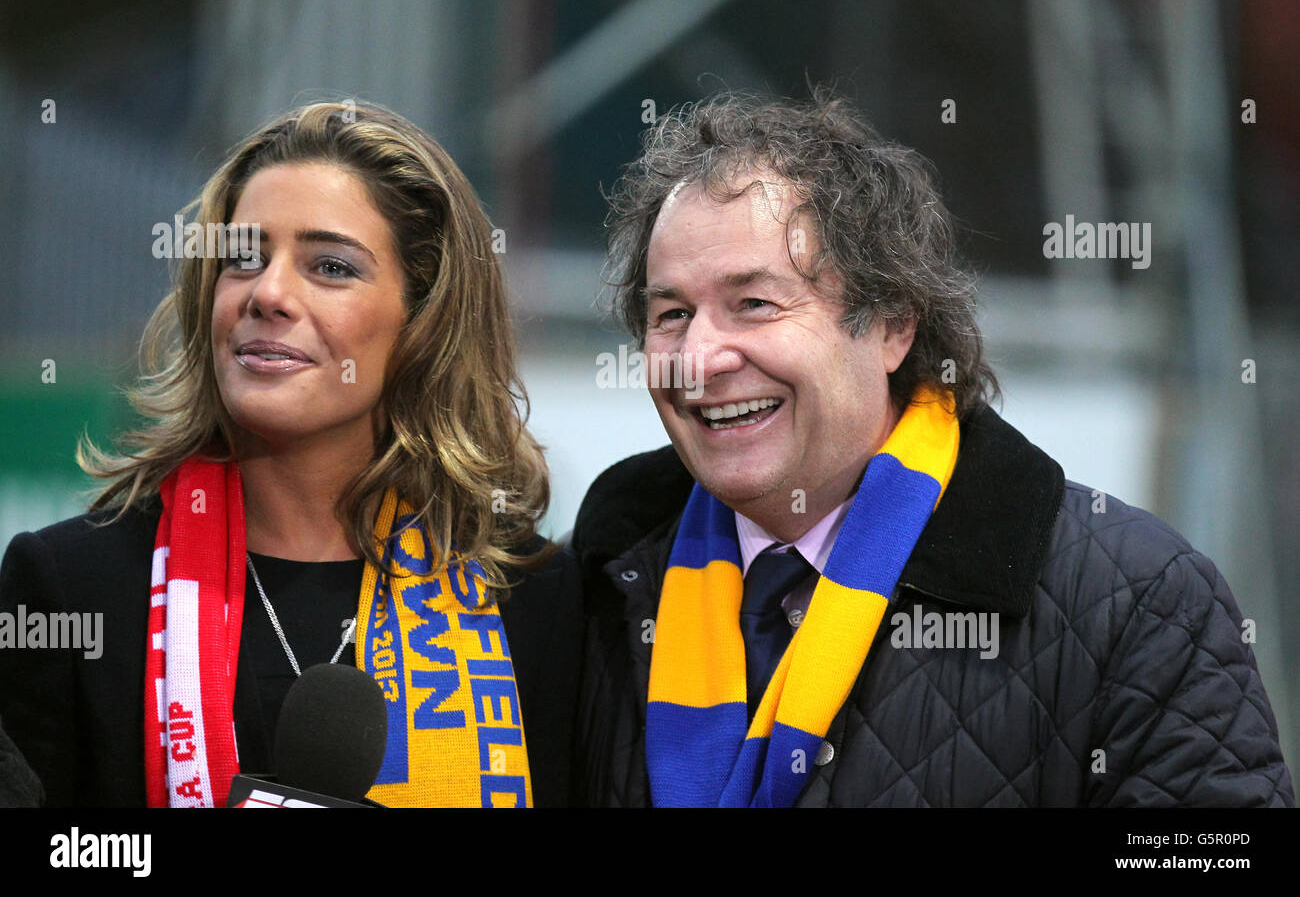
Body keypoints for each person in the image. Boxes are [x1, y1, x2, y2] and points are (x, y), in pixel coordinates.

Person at [571, 88, 1294, 807]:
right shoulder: (593, 586)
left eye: (753, 304)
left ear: (892, 326)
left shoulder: (1135, 600)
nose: (698, 357)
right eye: (672, 315)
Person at [0, 101, 579, 808]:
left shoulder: (535, 596)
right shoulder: (72, 586)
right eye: (244, 256)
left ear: (424, 321)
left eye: (330, 266)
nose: (268, 293)